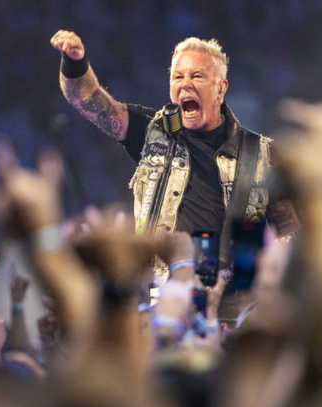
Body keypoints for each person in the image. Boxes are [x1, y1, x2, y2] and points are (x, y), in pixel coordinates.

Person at [50, 30, 299, 269]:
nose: (185, 84)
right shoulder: (152, 132)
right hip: (160, 296)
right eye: (178, 77)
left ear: (221, 88)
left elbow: (287, 234)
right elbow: (87, 98)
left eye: (197, 76)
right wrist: (74, 61)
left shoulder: (261, 155)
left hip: (233, 304)